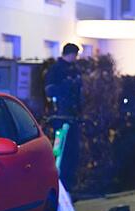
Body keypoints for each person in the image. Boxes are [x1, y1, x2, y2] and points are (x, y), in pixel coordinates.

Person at [44, 43, 82, 193]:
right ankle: (60, 186)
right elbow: (49, 90)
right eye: (75, 55)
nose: (76, 58)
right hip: (60, 117)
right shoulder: (56, 70)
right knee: (61, 153)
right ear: (70, 54)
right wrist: (66, 88)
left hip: (72, 117)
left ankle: (68, 187)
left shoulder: (74, 70)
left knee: (72, 153)